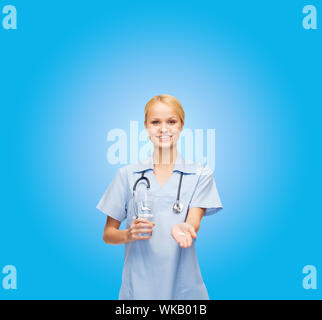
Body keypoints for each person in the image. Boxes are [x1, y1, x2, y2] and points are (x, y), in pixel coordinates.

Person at [96, 94, 223, 300]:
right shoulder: (127, 175)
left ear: (182, 124)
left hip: (185, 291)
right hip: (138, 291)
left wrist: (186, 228)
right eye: (155, 122)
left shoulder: (201, 175)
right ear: (146, 126)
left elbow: (193, 221)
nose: (164, 129)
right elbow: (108, 233)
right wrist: (128, 234)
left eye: (171, 121)